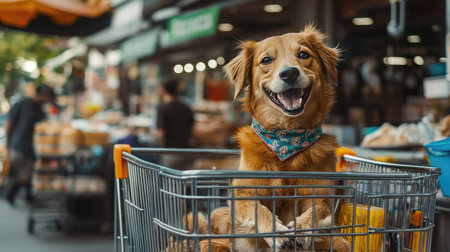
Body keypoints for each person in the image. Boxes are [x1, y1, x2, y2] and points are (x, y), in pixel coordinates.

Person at [4, 84, 55, 205]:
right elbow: (10, 122)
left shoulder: (40, 108)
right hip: (19, 144)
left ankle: (27, 196)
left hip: (33, 146)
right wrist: (8, 142)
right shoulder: (22, 103)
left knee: (28, 172)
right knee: (20, 173)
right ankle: (10, 193)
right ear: (43, 95)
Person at [156, 79, 194, 170]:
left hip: (170, 153)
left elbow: (161, 133)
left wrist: (161, 149)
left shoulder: (162, 108)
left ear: (163, 90)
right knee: (186, 182)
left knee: (169, 182)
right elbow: (192, 129)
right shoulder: (185, 106)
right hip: (186, 152)